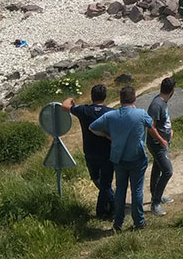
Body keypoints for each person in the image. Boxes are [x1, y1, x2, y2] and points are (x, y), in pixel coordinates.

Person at [90, 86, 168, 233]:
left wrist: (107, 135)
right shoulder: (141, 114)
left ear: (120, 100)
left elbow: (92, 127)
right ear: (134, 98)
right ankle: (139, 222)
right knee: (136, 190)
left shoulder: (111, 115)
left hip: (118, 158)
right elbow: (151, 126)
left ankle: (118, 223)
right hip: (137, 158)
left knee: (120, 190)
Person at [63, 84, 115, 220]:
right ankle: (113, 205)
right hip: (107, 152)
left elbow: (64, 106)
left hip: (90, 152)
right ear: (105, 96)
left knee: (97, 180)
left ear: (91, 96)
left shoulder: (83, 110)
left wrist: (71, 99)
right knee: (106, 182)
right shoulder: (111, 112)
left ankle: (105, 210)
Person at [147, 78, 176, 216]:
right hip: (157, 144)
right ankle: (155, 203)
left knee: (157, 168)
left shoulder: (162, 102)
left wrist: (169, 131)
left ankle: (156, 194)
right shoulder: (156, 104)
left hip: (163, 141)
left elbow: (163, 120)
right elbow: (150, 127)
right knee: (167, 171)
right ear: (172, 90)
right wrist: (161, 140)